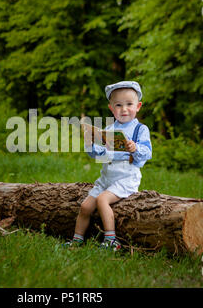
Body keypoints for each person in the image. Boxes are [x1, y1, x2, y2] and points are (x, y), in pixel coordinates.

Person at [64, 81, 152, 251]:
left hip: (126, 176)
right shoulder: (109, 129)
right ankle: (77, 240)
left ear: (138, 106)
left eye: (129, 104)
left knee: (102, 199)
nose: (124, 109)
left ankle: (111, 240)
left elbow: (147, 153)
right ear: (111, 108)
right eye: (118, 105)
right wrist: (90, 144)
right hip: (107, 177)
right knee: (85, 206)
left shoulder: (140, 129)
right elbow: (100, 154)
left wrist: (135, 148)